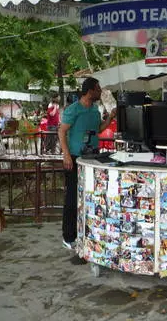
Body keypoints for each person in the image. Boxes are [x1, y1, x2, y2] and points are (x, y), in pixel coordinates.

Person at [59, 78, 116, 251]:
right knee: (72, 198)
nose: (100, 92)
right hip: (75, 158)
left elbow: (98, 129)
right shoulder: (73, 109)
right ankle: (68, 236)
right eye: (98, 89)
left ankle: (86, 232)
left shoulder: (94, 110)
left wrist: (110, 118)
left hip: (92, 157)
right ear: (90, 90)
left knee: (91, 197)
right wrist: (66, 155)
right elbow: (62, 131)